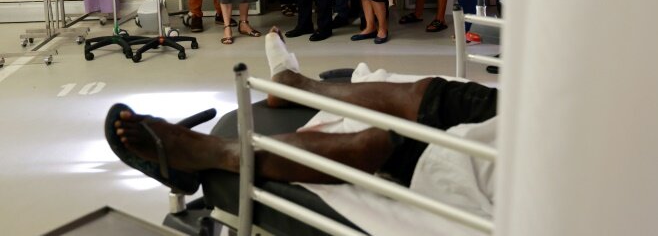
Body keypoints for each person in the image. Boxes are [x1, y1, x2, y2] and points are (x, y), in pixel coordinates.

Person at [106, 27, 497, 213]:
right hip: (514, 114)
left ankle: (220, 153)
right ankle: (297, 84)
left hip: (516, 161)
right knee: (431, 92)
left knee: (378, 144)